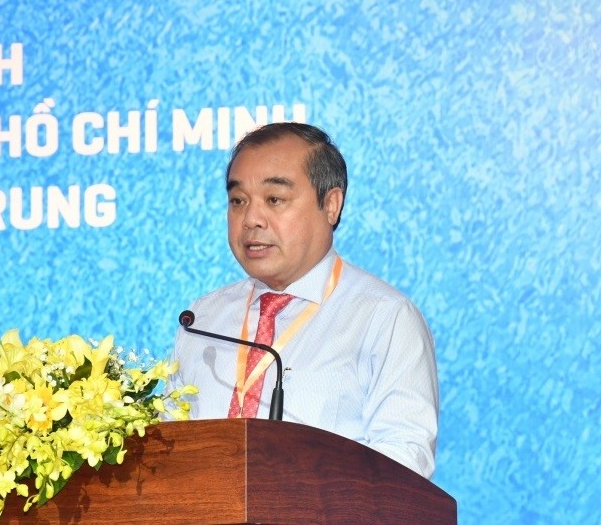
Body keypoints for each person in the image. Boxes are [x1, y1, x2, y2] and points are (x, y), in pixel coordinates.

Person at [167, 122, 439, 479]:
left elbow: (405, 461)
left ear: (331, 204)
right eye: (238, 201)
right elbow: (167, 451)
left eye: (274, 199)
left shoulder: (384, 318)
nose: (251, 220)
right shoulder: (202, 319)